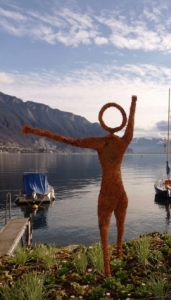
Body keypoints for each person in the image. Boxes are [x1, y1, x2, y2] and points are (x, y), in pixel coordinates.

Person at [22, 95, 137, 277]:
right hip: (120, 191)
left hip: (107, 193)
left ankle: (108, 269)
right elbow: (130, 128)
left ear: (103, 123)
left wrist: (36, 131)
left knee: (104, 229)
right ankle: (119, 252)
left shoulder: (99, 142)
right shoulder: (122, 143)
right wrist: (133, 104)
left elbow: (69, 141)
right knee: (119, 226)